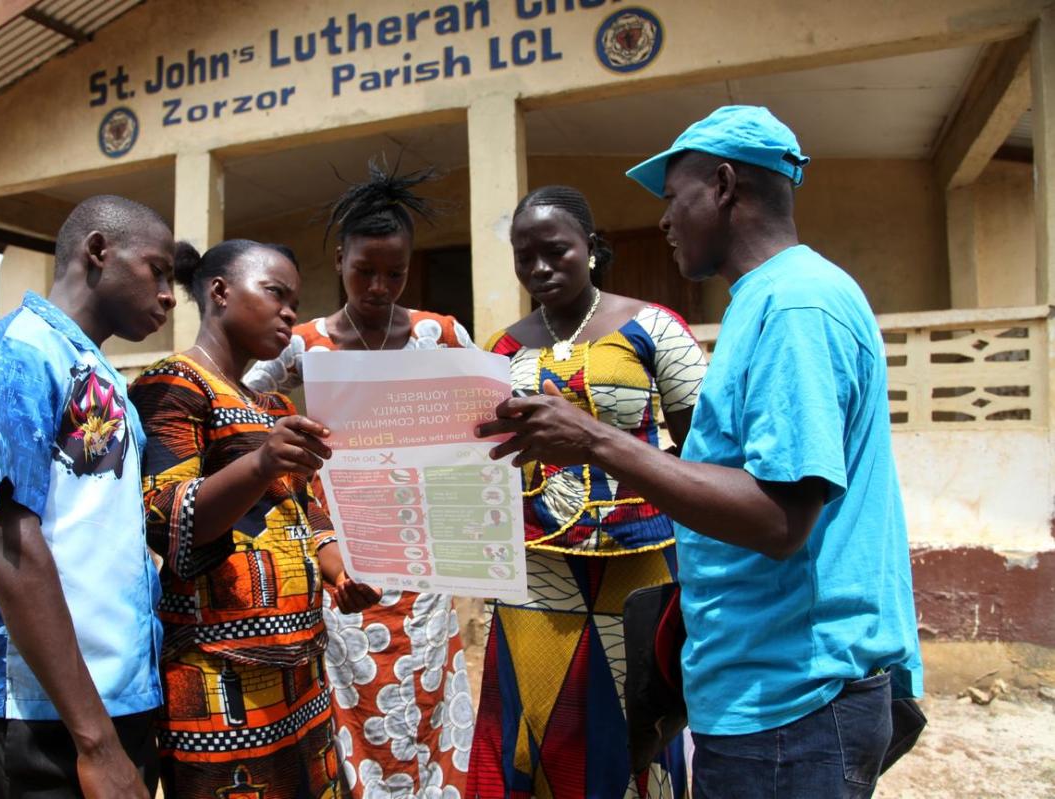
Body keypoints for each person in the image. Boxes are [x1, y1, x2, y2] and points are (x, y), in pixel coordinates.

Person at [479, 106, 923, 799]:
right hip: (751, 678)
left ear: (722, 185)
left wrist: (594, 439)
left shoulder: (796, 308)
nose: (663, 221)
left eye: (672, 198)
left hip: (793, 693)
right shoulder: (762, 302)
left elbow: (778, 519)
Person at [466, 185, 708, 799]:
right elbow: (485, 459)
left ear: (592, 247)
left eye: (556, 251)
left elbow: (706, 453)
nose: (540, 268)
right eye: (525, 257)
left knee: (636, 725)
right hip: (535, 574)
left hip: (640, 566)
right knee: (538, 721)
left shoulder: (654, 327)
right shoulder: (500, 350)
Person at [244, 159, 476, 798]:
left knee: (428, 702)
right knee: (353, 705)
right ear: (340, 260)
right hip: (341, 560)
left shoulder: (440, 336)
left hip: (424, 562)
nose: (379, 287)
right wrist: (283, 436)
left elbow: (481, 419)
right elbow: (238, 406)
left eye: (394, 274)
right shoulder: (305, 345)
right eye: (364, 271)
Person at [0, 195, 176, 799]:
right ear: (98, 251)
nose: (170, 295)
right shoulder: (18, 356)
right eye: (158, 270)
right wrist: (96, 744)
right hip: (47, 714)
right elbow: (9, 544)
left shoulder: (93, 369)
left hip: (114, 695)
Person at [130, 239, 381, 798]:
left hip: (302, 669)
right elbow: (165, 518)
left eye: (295, 302)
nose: (289, 313)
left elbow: (305, 511)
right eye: (275, 294)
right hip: (217, 673)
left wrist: (340, 572)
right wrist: (261, 463)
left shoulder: (276, 409)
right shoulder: (174, 386)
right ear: (220, 291)